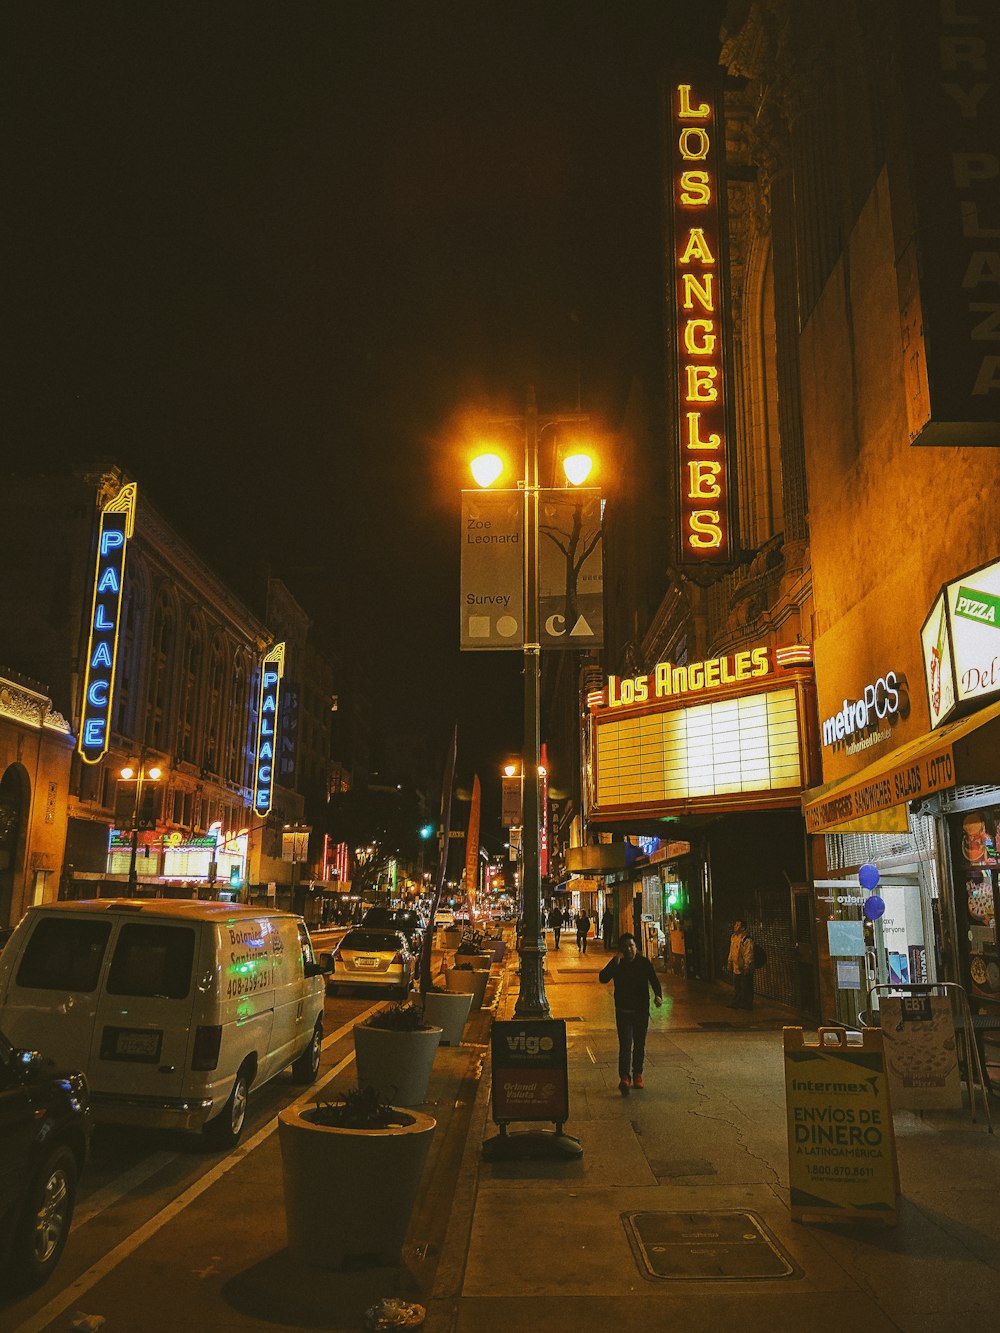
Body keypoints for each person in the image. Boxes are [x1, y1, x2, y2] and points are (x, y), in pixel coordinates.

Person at [599, 931, 663, 1093]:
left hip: (641, 1010)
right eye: (625, 947)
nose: (629, 949)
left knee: (639, 1044)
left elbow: (654, 981)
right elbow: (603, 978)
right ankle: (624, 1077)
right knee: (626, 1045)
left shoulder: (644, 963)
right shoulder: (618, 963)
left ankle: (637, 1074)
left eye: (631, 946)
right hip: (623, 1011)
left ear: (636, 947)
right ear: (621, 949)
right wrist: (614, 963)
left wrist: (658, 996)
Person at [727, 919, 755, 1010]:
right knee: (737, 986)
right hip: (736, 965)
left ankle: (746, 1004)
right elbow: (732, 950)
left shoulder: (746, 939)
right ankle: (737, 1002)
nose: (735, 926)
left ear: (743, 928)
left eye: (738, 925)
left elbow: (748, 954)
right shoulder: (734, 937)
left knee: (746, 985)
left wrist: (747, 966)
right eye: (735, 924)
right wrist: (729, 961)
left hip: (743, 966)